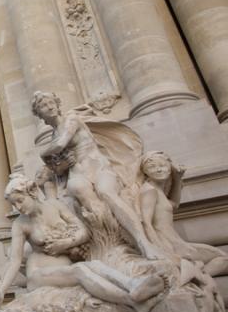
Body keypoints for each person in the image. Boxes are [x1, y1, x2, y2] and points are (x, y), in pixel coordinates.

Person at [0, 174, 165, 312]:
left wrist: (64, 243)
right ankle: (132, 300)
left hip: (65, 268)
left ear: (32, 192)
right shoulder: (20, 224)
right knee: (80, 270)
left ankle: (133, 283)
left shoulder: (55, 206)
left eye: (20, 200)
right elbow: (14, 261)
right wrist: (0, 291)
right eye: (14, 204)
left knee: (93, 265)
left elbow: (84, 231)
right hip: (38, 275)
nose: (18, 207)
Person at [32, 91, 163, 260]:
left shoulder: (71, 119)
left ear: (57, 104)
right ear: (39, 114)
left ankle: (143, 242)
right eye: (43, 105)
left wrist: (43, 154)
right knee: (76, 189)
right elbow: (58, 170)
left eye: (51, 102)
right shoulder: (53, 134)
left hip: (98, 168)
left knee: (106, 192)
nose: (49, 107)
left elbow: (60, 144)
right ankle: (105, 243)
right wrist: (64, 164)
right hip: (78, 174)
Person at [139, 151, 228, 277]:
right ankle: (197, 281)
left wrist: (177, 178)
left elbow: (174, 204)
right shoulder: (149, 190)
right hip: (169, 244)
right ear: (144, 171)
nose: (159, 170)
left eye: (162, 165)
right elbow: (145, 222)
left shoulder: (158, 191)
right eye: (152, 167)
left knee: (222, 259)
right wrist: (158, 248)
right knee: (222, 258)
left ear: (170, 168)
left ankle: (197, 280)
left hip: (176, 242)